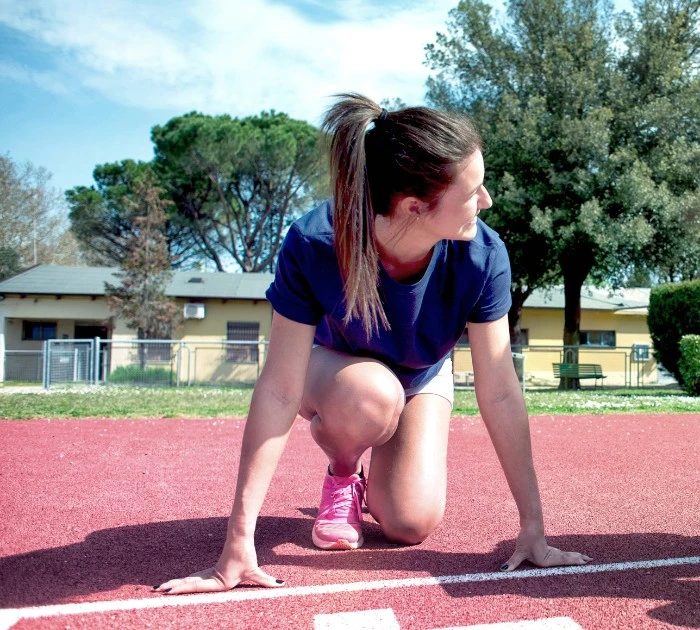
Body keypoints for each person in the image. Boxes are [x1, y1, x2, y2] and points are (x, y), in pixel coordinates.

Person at [155, 94, 590, 595]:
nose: (487, 201)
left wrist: (533, 527)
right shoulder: (316, 242)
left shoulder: (484, 255)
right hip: (335, 376)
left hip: (421, 373)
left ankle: (375, 485)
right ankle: (343, 472)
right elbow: (278, 388)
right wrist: (237, 542)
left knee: (410, 523)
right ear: (413, 206)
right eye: (473, 191)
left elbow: (499, 392)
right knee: (374, 394)